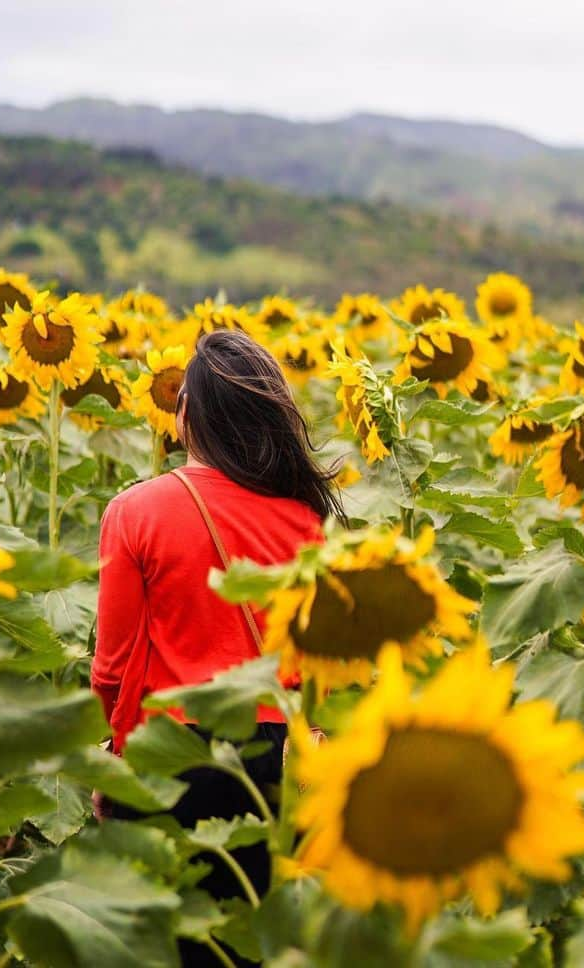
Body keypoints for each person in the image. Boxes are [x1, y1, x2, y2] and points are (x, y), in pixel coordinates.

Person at [91, 329, 343, 965]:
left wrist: (115, 758)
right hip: (269, 767)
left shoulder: (135, 511)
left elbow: (114, 670)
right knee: (252, 943)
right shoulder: (303, 520)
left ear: (186, 417)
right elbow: (312, 665)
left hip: (166, 756)